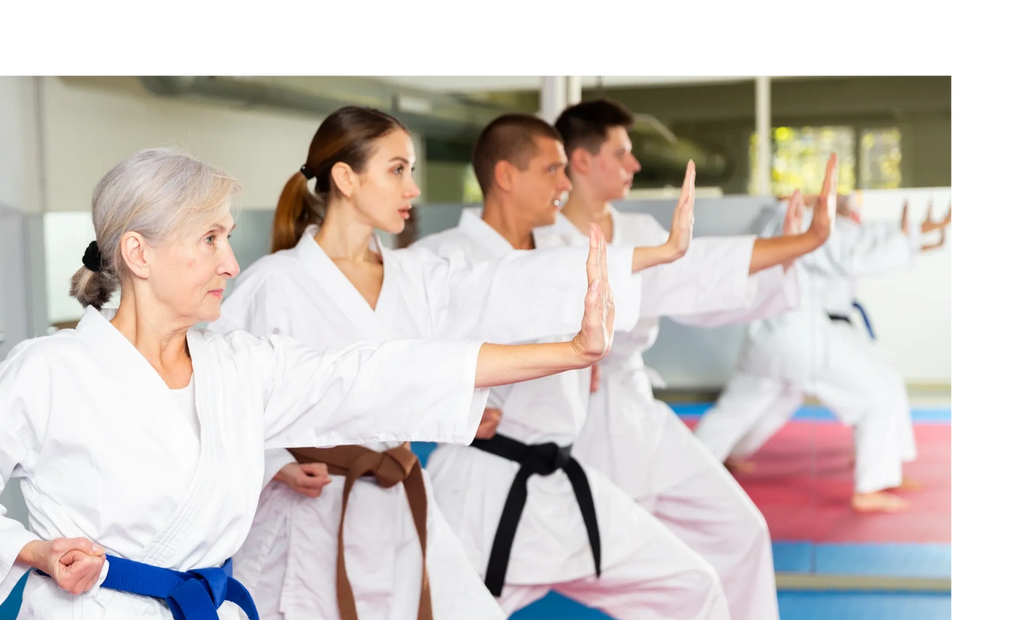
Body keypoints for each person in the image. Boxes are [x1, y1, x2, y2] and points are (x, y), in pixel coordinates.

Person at [0, 146, 619, 620]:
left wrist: (568, 350)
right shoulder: (50, 372)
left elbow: (376, 372)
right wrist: (32, 551)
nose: (231, 263)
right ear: (139, 254)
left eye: (227, 237)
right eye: (210, 239)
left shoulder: (239, 366)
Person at [208, 105, 685, 620]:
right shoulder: (274, 283)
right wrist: (275, 462)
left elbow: (509, 283)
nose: (412, 188)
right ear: (346, 178)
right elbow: (215, 388)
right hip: (311, 515)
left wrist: (646, 255)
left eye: (411, 170)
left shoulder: (418, 275)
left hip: (399, 503)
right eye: (397, 170)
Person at [413, 111, 827, 620]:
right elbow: (388, 363)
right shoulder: (440, 258)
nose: (564, 184)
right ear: (506, 175)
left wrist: (791, 245)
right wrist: (449, 406)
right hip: (482, 487)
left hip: (564, 476)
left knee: (692, 585)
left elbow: (681, 273)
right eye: (552, 170)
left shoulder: (564, 250)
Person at [549, 99, 837, 620]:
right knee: (628, 575)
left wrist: (785, 252)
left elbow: (695, 282)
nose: (635, 164)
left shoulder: (639, 230)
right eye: (622, 153)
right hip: (573, 425)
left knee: (742, 531)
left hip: (639, 412)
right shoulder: (544, 240)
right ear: (583, 160)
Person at [693, 195, 953, 513]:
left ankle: (702, 462)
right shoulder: (805, 221)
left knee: (746, 405)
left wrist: (915, 231)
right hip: (799, 335)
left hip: (767, 335)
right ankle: (870, 487)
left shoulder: (782, 218)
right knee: (876, 392)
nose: (847, 207)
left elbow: (863, 236)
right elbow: (849, 255)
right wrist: (905, 238)